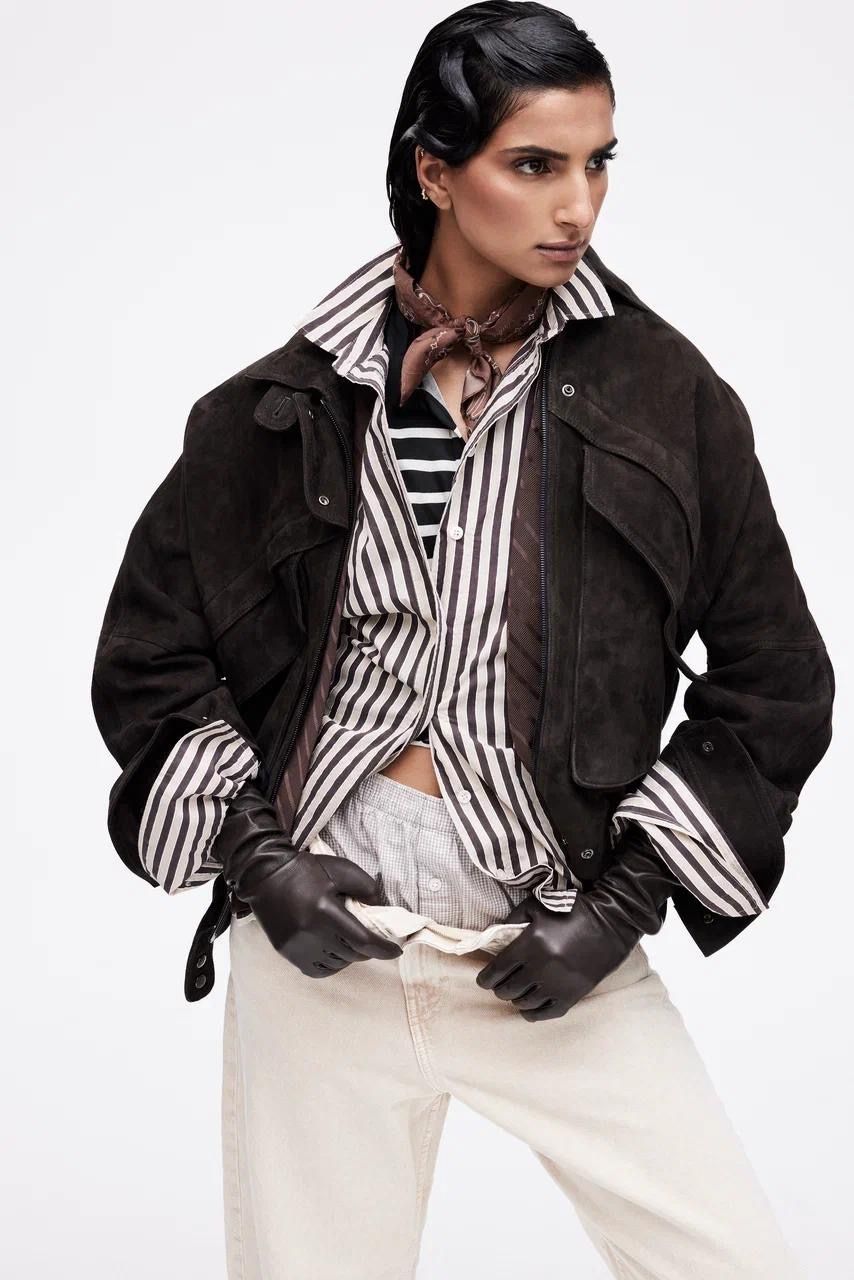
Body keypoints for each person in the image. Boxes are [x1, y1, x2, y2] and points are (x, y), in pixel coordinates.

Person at [91, 4, 834, 1277]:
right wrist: (258, 861)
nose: (576, 206)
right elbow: (150, 657)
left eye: (596, 162)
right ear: (434, 171)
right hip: (322, 942)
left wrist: (622, 904)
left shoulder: (664, 394)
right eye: (532, 164)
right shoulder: (278, 406)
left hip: (550, 932)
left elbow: (774, 676)